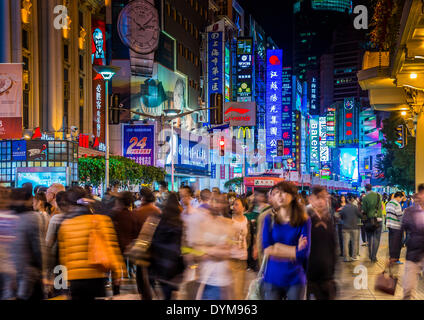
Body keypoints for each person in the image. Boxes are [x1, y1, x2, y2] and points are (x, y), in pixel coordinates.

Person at [57, 187, 125, 300]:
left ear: (69, 205)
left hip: (75, 281)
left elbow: (63, 259)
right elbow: (113, 249)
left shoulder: (65, 225)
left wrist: (63, 285)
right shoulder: (102, 220)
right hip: (97, 277)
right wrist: (117, 274)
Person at [261, 181, 311, 300]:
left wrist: (277, 247)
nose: (279, 195)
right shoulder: (269, 219)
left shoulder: (304, 220)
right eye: (276, 193)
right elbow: (267, 249)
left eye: (283, 192)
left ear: (293, 196)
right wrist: (294, 249)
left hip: (295, 278)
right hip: (272, 277)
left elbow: (303, 253)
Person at [189, 193, 234, 300]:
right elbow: (196, 252)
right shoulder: (201, 221)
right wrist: (215, 251)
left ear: (225, 205)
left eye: (220, 202)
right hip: (203, 279)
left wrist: (207, 250)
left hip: (222, 280)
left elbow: (226, 253)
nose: (216, 205)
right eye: (213, 201)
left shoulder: (227, 224)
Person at [10, 188, 44, 300]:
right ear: (28, 200)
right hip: (28, 274)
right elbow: (38, 247)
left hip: (10, 274)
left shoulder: (6, 216)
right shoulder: (32, 217)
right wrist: (43, 268)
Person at [149, 192, 185, 300]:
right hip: (175, 263)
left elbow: (154, 239)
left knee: (166, 294)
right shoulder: (180, 221)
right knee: (173, 292)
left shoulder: (159, 219)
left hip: (161, 263)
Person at [306, 186, 337, 300]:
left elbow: (332, 246)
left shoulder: (328, 218)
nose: (321, 201)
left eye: (324, 198)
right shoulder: (304, 218)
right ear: (310, 199)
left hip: (326, 275)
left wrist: (332, 270)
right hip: (308, 274)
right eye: (318, 198)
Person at [132, 187, 161, 299]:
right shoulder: (157, 211)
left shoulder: (138, 212)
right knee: (151, 278)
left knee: (141, 279)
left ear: (142, 197)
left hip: (141, 250)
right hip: (154, 250)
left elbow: (134, 231)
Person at [110, 191, 137, 294]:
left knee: (115, 272)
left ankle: (116, 291)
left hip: (115, 247)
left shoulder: (115, 214)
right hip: (128, 247)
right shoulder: (132, 215)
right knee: (126, 268)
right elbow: (135, 232)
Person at [402, 184, 424, 300]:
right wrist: (394, 255)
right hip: (413, 253)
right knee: (408, 289)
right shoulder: (409, 211)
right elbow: (400, 231)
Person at [229, 197, 250, 300]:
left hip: (242, 259)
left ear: (244, 207)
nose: (234, 206)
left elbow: (248, 238)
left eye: (237, 204)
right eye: (233, 204)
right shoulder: (229, 219)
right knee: (231, 291)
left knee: (239, 292)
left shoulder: (247, 221)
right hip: (230, 259)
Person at [361, 184, 383, 262]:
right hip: (379, 219)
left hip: (369, 220)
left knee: (369, 238)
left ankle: (370, 255)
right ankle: (374, 256)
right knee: (377, 238)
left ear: (365, 188)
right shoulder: (378, 195)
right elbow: (380, 206)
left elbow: (364, 210)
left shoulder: (365, 197)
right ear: (372, 188)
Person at [338, 195, 362, 262]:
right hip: (354, 227)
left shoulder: (344, 207)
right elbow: (360, 215)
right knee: (354, 242)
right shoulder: (355, 207)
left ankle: (346, 258)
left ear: (347, 200)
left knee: (345, 243)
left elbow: (341, 216)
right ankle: (354, 256)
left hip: (345, 227)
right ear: (352, 200)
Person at [386, 191, 405, 265]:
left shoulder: (389, 203)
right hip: (396, 226)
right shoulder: (397, 204)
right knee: (397, 244)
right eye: (401, 198)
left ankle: (392, 258)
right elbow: (399, 216)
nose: (401, 200)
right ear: (398, 197)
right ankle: (396, 259)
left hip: (390, 225)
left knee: (391, 243)